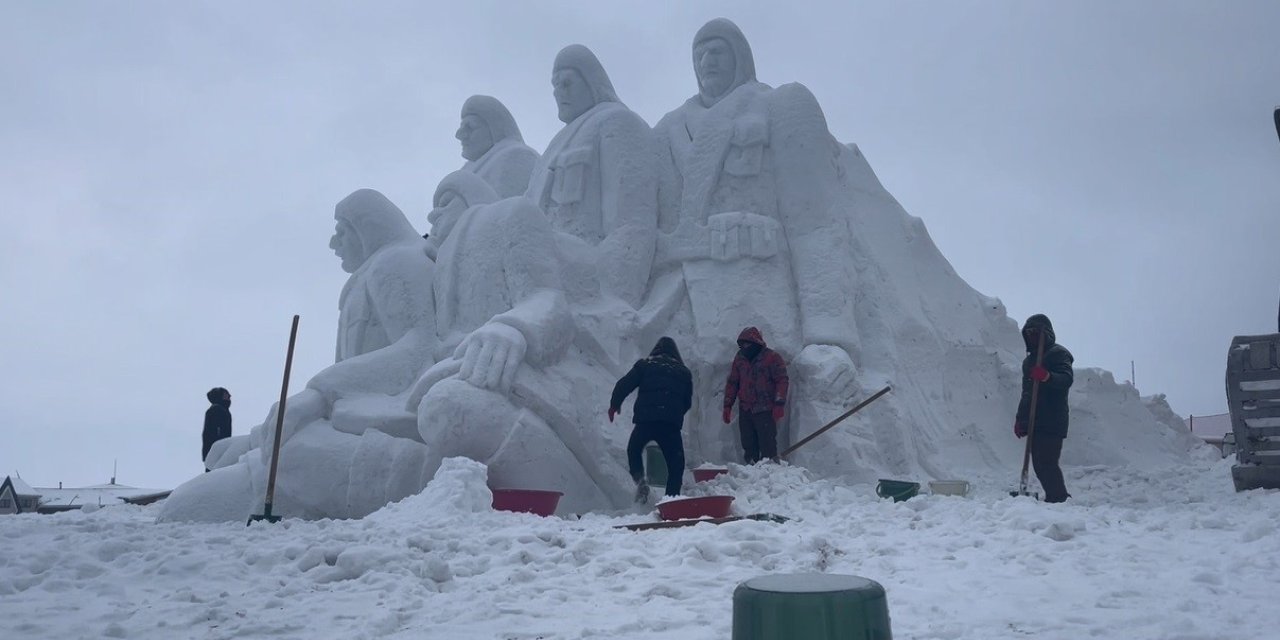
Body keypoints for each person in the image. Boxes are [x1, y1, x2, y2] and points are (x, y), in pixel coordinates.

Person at [608, 337, 694, 501]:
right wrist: (673, 414)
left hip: (645, 421)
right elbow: (687, 402)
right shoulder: (683, 372)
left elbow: (624, 384)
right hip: (670, 425)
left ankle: (640, 480)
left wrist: (614, 405)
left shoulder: (645, 365)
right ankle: (671, 500)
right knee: (676, 466)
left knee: (634, 450)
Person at [1014, 314, 1075, 503]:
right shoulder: (1029, 362)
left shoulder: (1058, 354)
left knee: (1046, 462)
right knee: (1040, 462)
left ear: (1045, 334)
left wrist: (1048, 376)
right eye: (1029, 333)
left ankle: (1059, 498)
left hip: (1053, 418)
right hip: (1035, 420)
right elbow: (1027, 394)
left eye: (1035, 333)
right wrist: (1020, 420)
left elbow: (1066, 379)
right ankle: (1056, 498)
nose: (1031, 336)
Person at [722, 327, 789, 463]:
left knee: (767, 446)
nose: (744, 348)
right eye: (741, 345)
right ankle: (751, 475)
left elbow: (782, 380)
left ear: (755, 343)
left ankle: (770, 476)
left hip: (765, 410)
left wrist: (779, 403)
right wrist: (728, 405)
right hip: (746, 410)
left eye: (746, 344)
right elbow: (733, 382)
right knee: (748, 445)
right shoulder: (740, 358)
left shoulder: (772, 357)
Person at [202, 387, 232, 471]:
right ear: (219, 396)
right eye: (226, 394)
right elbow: (211, 433)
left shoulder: (222, 409)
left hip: (218, 451)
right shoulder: (216, 409)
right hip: (217, 452)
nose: (230, 396)